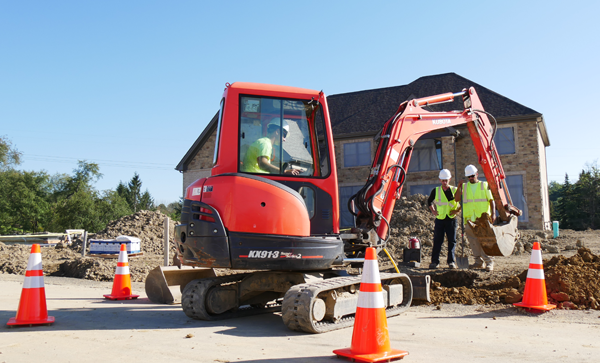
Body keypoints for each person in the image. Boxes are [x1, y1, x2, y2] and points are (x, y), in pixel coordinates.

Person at [455, 164, 495, 271]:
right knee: (473, 241)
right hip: (469, 219)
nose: (471, 178)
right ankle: (478, 262)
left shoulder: (484, 185)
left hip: (482, 219)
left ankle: (489, 263)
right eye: (469, 177)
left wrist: (494, 214)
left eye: (472, 176)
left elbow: (491, 200)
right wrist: (459, 186)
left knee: (484, 241)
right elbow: (456, 199)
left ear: (477, 174)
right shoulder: (464, 186)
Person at [428, 169, 461, 269]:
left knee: (452, 241)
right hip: (440, 219)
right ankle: (435, 262)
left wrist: (457, 211)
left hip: (451, 219)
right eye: (443, 180)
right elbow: (429, 201)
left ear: (449, 179)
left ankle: (451, 262)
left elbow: (462, 202)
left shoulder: (455, 190)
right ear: (440, 180)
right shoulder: (436, 190)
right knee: (437, 240)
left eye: (446, 180)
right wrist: (433, 211)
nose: (444, 182)